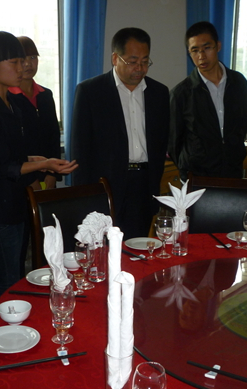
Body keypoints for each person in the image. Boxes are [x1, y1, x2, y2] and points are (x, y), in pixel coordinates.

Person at [0, 32, 77, 305]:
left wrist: (41, 161)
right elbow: (1, 165)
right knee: (6, 280)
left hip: (13, 201)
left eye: (23, 61)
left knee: (9, 275)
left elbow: (13, 153)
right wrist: (44, 164)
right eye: (14, 62)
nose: (21, 67)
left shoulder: (9, 102)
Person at [70, 27, 169, 239]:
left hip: (143, 185)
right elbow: (80, 149)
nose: (140, 68)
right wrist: (84, 196)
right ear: (115, 58)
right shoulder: (90, 91)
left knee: (138, 246)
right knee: (103, 248)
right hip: (106, 185)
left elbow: (161, 144)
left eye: (145, 61)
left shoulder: (159, 93)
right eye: (132, 61)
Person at [169, 21, 247, 181]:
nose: (201, 56)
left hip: (233, 172)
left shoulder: (238, 82)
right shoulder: (181, 93)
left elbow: (242, 124)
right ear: (189, 53)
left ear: (218, 46)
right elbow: (173, 143)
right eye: (195, 51)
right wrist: (189, 166)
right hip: (197, 177)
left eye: (207, 48)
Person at [8, 36, 61, 276]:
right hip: (22, 180)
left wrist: (51, 175)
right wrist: (32, 180)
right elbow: (14, 147)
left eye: (32, 57)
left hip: (47, 176)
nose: (28, 64)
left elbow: (53, 137)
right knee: (21, 247)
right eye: (22, 59)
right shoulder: (9, 97)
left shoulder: (45, 94)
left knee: (46, 241)